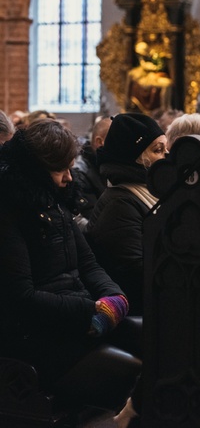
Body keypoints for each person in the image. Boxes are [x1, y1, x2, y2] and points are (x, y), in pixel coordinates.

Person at [0, 118, 140, 411]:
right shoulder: (9, 212)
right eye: (60, 169)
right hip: (39, 337)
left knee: (158, 339)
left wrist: (115, 297)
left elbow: (89, 264)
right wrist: (90, 312)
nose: (69, 178)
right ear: (34, 170)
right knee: (137, 372)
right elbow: (20, 297)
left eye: (70, 167)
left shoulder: (53, 203)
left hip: (74, 319)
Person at [86, 113, 168, 315]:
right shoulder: (120, 205)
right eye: (158, 150)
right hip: (142, 307)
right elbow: (137, 272)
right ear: (136, 157)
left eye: (166, 148)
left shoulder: (152, 191)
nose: (167, 156)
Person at [72, 116, 111, 231]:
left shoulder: (109, 166)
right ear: (100, 142)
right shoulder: (80, 172)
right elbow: (94, 220)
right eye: (119, 140)